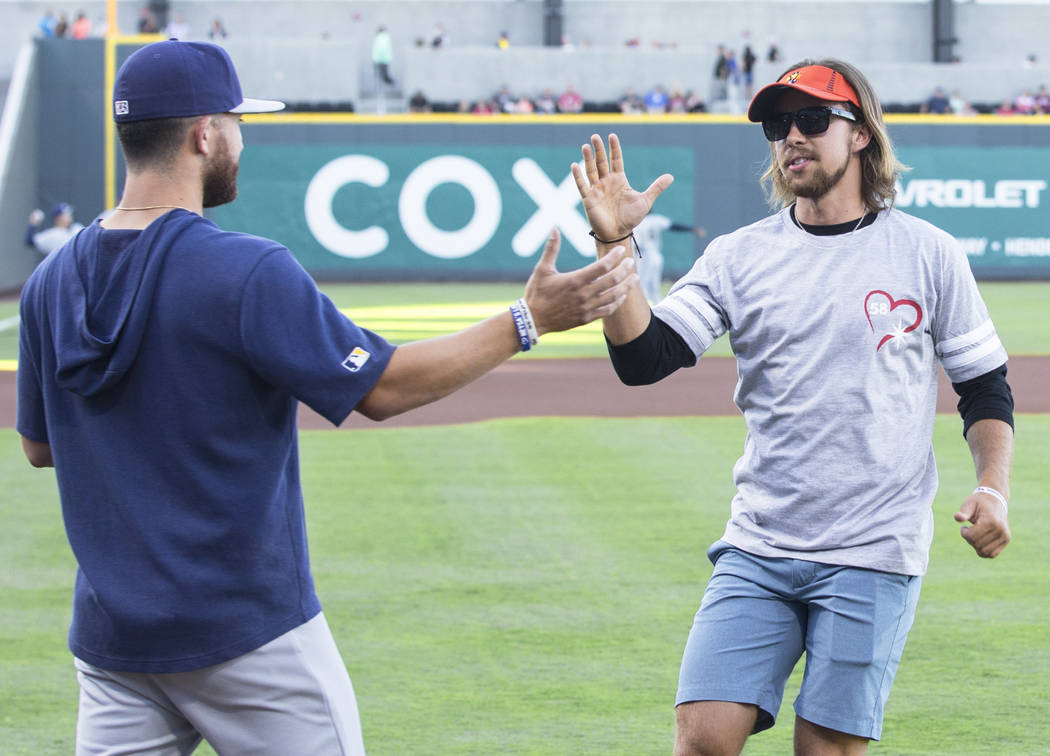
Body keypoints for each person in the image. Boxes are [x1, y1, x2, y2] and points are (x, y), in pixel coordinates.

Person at [17, 39, 636, 755]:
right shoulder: (244, 270)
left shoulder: (49, 283)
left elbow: (39, 446)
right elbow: (383, 388)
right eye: (238, 124)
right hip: (248, 638)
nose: (242, 141)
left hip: (113, 643)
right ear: (203, 134)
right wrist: (527, 321)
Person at [571, 58, 1013, 755]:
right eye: (779, 125)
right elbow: (643, 358)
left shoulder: (928, 253)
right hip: (761, 543)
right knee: (702, 736)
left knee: (824, 749)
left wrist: (993, 487)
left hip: (874, 549)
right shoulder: (737, 256)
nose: (792, 138)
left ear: (861, 133)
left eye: (812, 119)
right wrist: (614, 243)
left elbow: (984, 385)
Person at [633, 213, 706, 303]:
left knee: (642, 285)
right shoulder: (655, 219)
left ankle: (644, 308)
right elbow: (673, 226)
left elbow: (636, 245)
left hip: (644, 256)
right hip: (656, 256)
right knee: (654, 286)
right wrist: (692, 229)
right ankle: (657, 307)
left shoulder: (637, 223)